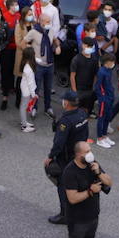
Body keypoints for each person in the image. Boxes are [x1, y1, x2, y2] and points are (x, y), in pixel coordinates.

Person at [46, 91, 90, 225]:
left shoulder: (65, 121)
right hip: (79, 156)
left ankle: (65, 214)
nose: (63, 102)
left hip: (66, 158)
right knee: (77, 183)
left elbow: (59, 142)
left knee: (62, 184)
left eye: (64, 100)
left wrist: (50, 157)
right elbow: (86, 134)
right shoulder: (83, 114)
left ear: (67, 103)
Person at [60, 139, 111, 238]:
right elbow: (72, 199)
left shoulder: (93, 164)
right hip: (77, 220)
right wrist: (90, 191)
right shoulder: (70, 172)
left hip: (93, 217)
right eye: (87, 152)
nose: (90, 154)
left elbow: (109, 183)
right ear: (78, 154)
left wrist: (99, 172)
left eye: (90, 150)